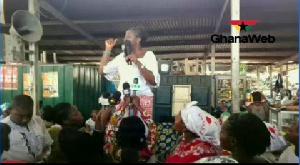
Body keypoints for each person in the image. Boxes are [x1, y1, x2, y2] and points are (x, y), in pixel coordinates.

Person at [99, 27, 160, 116]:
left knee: (143, 127)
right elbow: (102, 71)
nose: (125, 39)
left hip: (143, 99)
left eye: (128, 37)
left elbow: (154, 82)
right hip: (123, 99)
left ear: (138, 40)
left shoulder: (149, 56)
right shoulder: (121, 57)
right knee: (121, 127)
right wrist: (108, 49)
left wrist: (137, 63)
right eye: (125, 37)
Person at [1, 95, 53, 163]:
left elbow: (47, 144)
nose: (25, 120)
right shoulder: (2, 127)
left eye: (29, 115)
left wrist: (44, 158)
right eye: (20, 116)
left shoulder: (38, 121)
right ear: (10, 109)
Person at [105, 96, 157, 163]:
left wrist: (124, 105)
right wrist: (138, 107)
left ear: (121, 130)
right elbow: (153, 127)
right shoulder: (147, 149)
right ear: (142, 131)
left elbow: (111, 124)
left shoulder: (114, 147)